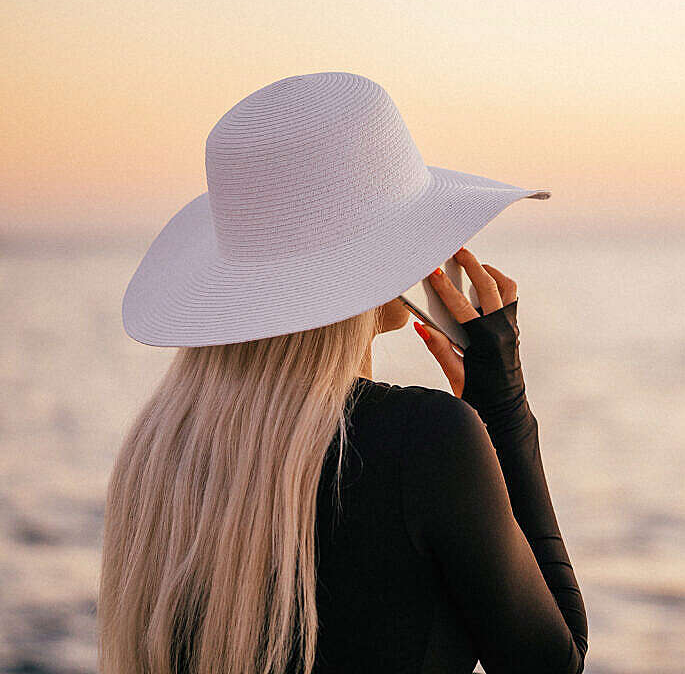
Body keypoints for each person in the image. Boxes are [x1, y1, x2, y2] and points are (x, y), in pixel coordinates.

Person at [100, 73, 587, 674]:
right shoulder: (426, 440)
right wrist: (503, 408)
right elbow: (553, 663)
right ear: (374, 263)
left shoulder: (160, 446)